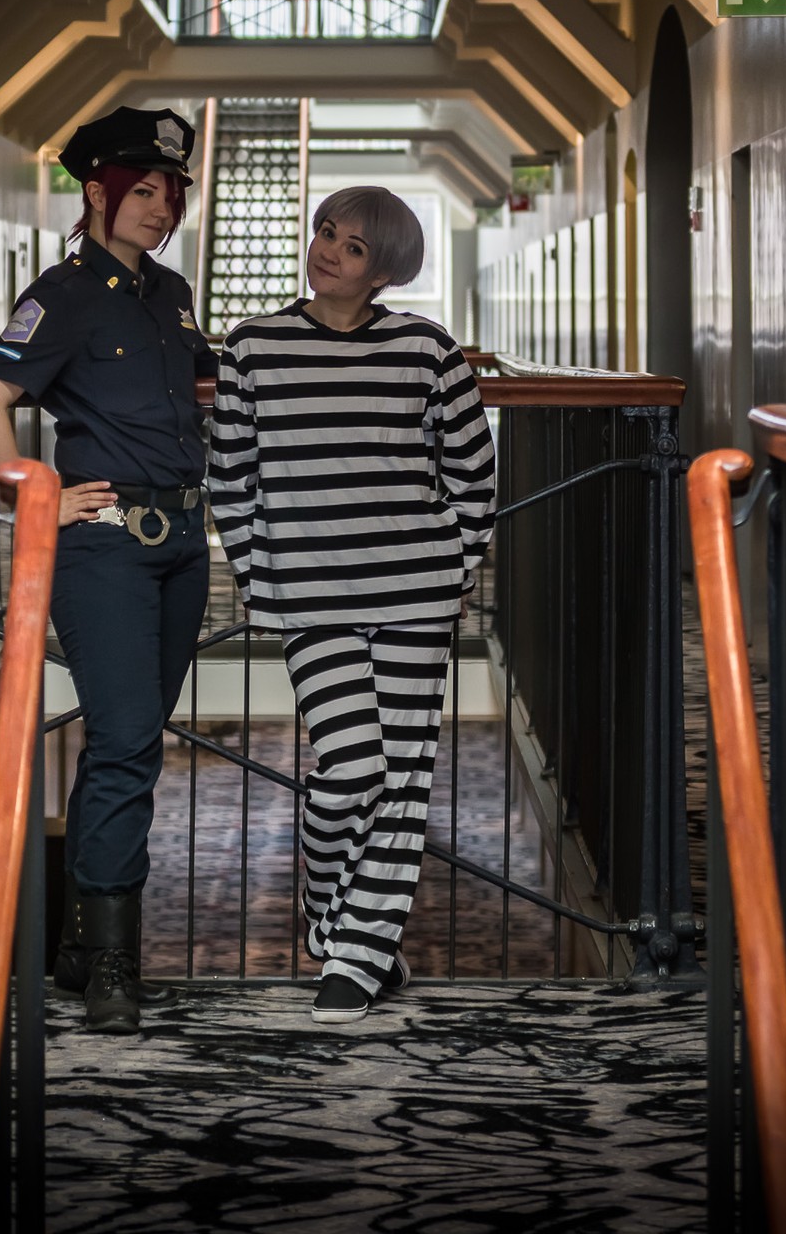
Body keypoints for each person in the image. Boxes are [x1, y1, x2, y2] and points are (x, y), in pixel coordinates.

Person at [208, 186, 495, 1024]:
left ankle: (356, 955)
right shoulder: (252, 346)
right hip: (309, 598)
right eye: (326, 233)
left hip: (416, 591)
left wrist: (455, 565)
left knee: (401, 778)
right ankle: (328, 907)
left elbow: (473, 477)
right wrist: (260, 578)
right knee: (351, 769)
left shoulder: (427, 350)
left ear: (385, 271)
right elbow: (230, 478)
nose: (328, 251)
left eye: (353, 247)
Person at [0, 106, 215, 1036]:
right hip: (104, 544)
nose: (160, 208)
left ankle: (77, 946)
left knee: (126, 743)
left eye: (171, 193)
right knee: (127, 740)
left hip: (182, 543)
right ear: (98, 194)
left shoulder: (170, 293)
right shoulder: (63, 293)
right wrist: (36, 496)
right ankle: (111, 960)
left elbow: (198, 386)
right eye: (141, 191)